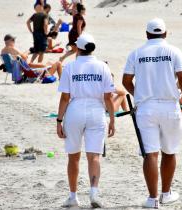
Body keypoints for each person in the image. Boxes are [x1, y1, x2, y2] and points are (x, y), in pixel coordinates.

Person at [122, 18, 182, 208]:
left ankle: (152, 199)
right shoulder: (174, 51)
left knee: (150, 154)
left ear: (147, 34)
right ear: (165, 33)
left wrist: (139, 94)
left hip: (146, 108)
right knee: (170, 152)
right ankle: (166, 194)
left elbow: (126, 80)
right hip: (169, 106)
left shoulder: (136, 53)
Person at [57, 33, 115, 208]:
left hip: (75, 111)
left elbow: (65, 98)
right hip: (96, 112)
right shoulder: (103, 67)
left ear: (78, 48)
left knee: (73, 157)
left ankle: (73, 196)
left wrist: (59, 120)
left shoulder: (70, 67)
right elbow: (108, 97)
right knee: (94, 156)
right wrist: (112, 119)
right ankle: (94, 193)